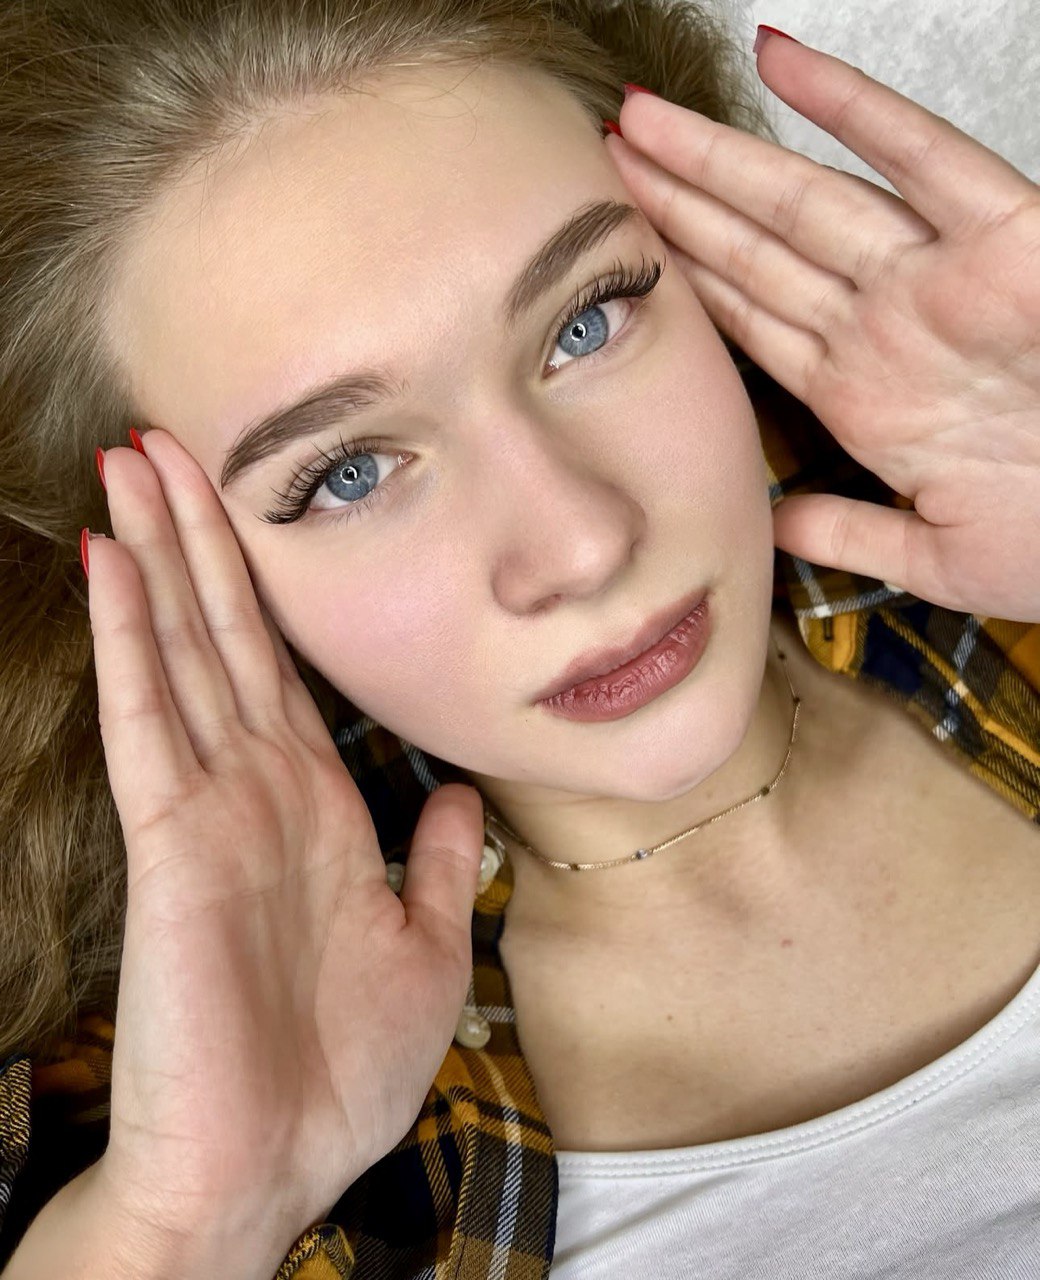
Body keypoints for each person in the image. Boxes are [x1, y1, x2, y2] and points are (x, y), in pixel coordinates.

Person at [0, 0, 1037, 1275]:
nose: (582, 545)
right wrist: (186, 1222)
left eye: (583, 322)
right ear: (160, 562)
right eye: (347, 472)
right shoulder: (141, 1138)